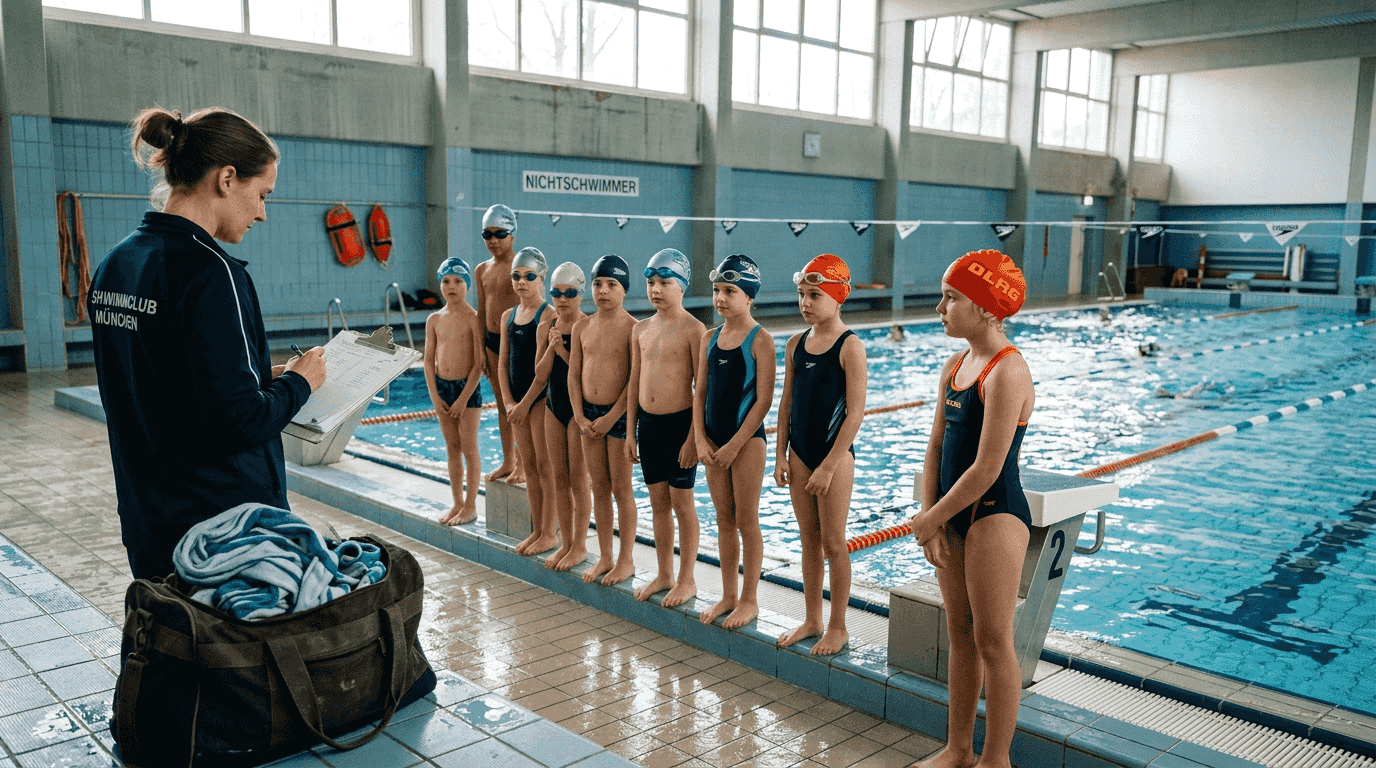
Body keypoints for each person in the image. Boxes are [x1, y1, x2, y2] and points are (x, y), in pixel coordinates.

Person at [89, 106, 327, 580]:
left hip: (148, 518)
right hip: (222, 530)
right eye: (262, 194)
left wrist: (262, 377)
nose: (262, 212)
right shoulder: (211, 273)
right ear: (227, 179)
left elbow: (160, 380)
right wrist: (301, 383)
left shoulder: (117, 264)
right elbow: (242, 420)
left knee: (164, 643)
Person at [909, 249, 1033, 768]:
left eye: (952, 297)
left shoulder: (1008, 372)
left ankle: (995, 759)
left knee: (993, 639)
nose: (940, 307)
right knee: (959, 633)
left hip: (995, 515)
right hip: (950, 515)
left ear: (986, 307)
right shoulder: (956, 365)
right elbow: (935, 447)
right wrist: (930, 517)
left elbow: (986, 468)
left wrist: (931, 518)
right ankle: (958, 749)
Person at [774, 253, 866, 656]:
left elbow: (856, 413)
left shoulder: (850, 347)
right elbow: (786, 404)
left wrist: (829, 465)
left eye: (815, 294)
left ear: (839, 296)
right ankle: (812, 619)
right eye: (801, 294)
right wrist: (779, 455)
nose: (806, 302)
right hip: (798, 454)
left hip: (836, 458)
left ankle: (839, 626)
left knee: (833, 542)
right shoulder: (796, 344)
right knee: (807, 541)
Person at [693, 254, 774, 629]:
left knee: (747, 521)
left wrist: (734, 444)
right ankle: (727, 594)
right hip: (711, 442)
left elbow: (763, 402)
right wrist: (700, 439)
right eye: (717, 290)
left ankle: (749, 599)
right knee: (723, 521)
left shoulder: (761, 340)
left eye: (730, 291)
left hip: (747, 443)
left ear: (749, 296)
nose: (721, 298)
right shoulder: (709, 338)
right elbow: (700, 394)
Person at [626, 248, 705, 607]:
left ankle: (687, 579)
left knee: (682, 504)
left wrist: (694, 439)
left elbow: (700, 391)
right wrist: (630, 433)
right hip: (648, 426)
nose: (656, 289)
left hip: (679, 426)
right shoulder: (641, 329)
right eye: (651, 282)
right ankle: (664, 573)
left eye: (665, 282)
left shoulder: (695, 329)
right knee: (658, 504)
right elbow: (633, 383)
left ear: (683, 286)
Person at [568, 255, 639, 585]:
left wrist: (612, 417)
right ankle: (606, 557)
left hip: (618, 417)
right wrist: (580, 416)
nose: (603, 290)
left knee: (622, 490)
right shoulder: (583, 325)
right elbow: (573, 375)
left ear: (624, 290)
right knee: (599, 488)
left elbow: (634, 381)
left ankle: (626, 560)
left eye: (612, 284)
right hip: (589, 419)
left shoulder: (633, 328)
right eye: (597, 284)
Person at [498, 247, 557, 555]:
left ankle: (550, 532)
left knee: (545, 467)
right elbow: (502, 363)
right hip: (517, 404)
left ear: (541, 278)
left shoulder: (548, 314)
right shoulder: (507, 316)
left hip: (539, 402)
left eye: (529, 276)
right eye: (517, 276)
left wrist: (523, 405)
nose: (522, 282)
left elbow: (545, 373)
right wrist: (508, 402)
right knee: (529, 467)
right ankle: (538, 530)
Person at [536, 262, 591, 571]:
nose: (562, 299)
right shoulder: (547, 327)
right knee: (558, 476)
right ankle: (565, 542)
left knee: (577, 479)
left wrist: (563, 352)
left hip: (576, 410)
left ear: (581, 294)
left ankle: (580, 545)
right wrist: (550, 348)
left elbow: (585, 378)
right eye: (556, 293)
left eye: (569, 293)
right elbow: (539, 374)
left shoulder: (587, 326)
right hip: (553, 407)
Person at [425, 256, 484, 526]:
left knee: (469, 448)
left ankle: (471, 505)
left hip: (466, 390)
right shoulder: (434, 319)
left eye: (458, 281)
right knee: (452, 448)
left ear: (467, 286)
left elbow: (479, 364)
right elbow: (427, 360)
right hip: (442, 387)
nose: (452, 286)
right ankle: (457, 503)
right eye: (446, 281)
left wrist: (462, 399)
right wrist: (434, 395)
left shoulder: (474, 318)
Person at [474, 204, 522, 482]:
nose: (493, 240)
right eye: (487, 234)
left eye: (500, 233)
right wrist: (481, 349)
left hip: (515, 345)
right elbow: (481, 313)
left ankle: (525, 463)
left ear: (512, 235)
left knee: (519, 407)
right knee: (503, 407)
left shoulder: (521, 268)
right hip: (492, 345)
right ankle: (508, 460)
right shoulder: (482, 269)